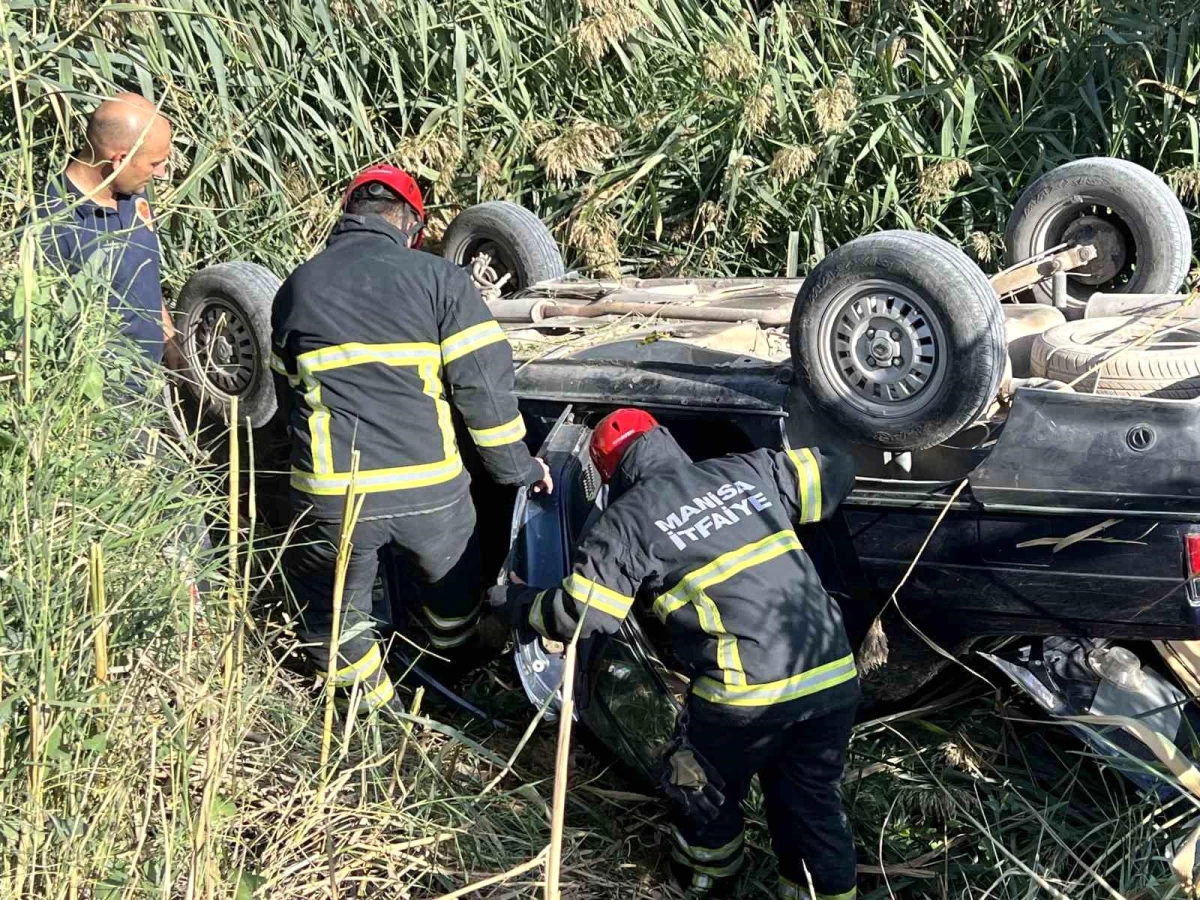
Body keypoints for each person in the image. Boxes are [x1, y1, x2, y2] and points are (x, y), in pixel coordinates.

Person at [487, 408, 860, 900]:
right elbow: (838, 468)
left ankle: (706, 883)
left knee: (698, 786)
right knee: (811, 805)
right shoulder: (746, 470)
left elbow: (581, 616)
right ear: (664, 441)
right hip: (830, 674)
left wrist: (512, 602)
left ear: (607, 474)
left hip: (745, 694)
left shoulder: (628, 520)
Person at [271, 163, 553, 715]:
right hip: (431, 490)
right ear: (412, 226)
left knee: (337, 619)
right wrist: (518, 470)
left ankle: (378, 720)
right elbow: (484, 391)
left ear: (348, 215)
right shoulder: (438, 280)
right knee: (452, 604)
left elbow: (290, 404)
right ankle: (448, 677)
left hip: (335, 497)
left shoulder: (295, 288)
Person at [30, 92, 178, 377]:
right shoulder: (52, 225)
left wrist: (167, 334)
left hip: (150, 382)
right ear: (120, 160)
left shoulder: (132, 191)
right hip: (101, 400)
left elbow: (143, 269)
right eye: (154, 163)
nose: (161, 173)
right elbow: (42, 334)